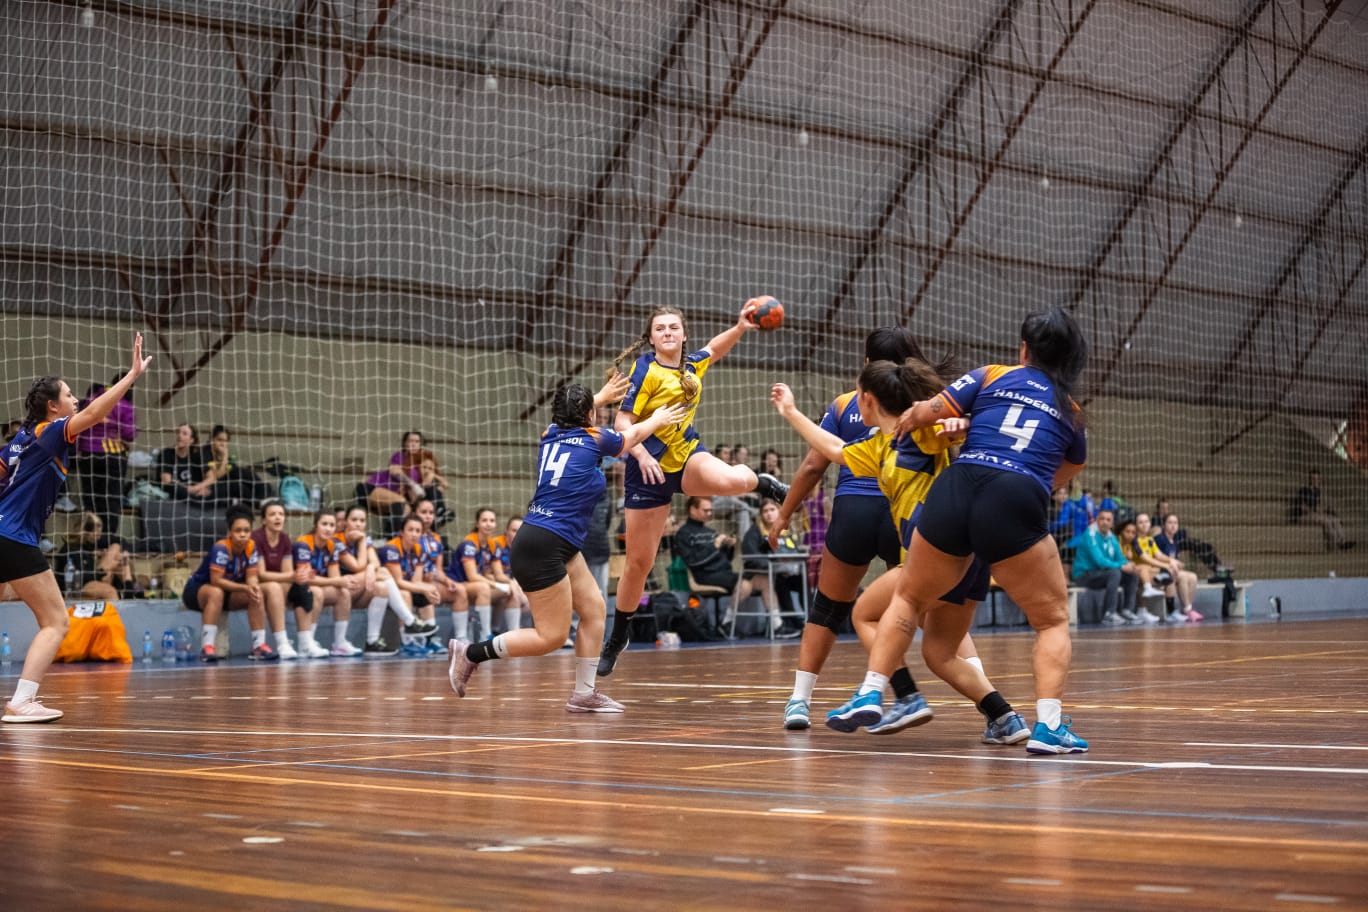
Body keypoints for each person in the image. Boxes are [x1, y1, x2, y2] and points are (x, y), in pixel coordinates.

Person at [771, 358, 1026, 742]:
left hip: (936, 554)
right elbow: (835, 450)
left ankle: (892, 694)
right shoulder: (877, 446)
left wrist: (963, 423)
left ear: (868, 399)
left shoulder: (917, 432)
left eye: (857, 394)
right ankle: (1005, 718)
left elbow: (952, 430)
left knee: (864, 614)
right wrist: (790, 412)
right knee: (940, 655)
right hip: (966, 561)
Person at [890, 307, 1092, 754]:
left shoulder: (993, 375)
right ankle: (1050, 727)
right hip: (1014, 504)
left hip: (956, 493)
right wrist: (1032, 480)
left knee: (908, 600)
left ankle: (877, 689)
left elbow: (931, 410)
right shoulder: (1070, 410)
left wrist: (911, 417)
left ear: (1024, 350)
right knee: (1053, 620)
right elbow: (1073, 465)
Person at [447, 379, 686, 711]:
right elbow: (631, 437)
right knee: (551, 637)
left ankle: (584, 694)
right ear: (589, 414)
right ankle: (470, 653)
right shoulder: (595, 439)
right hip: (543, 545)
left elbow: (573, 419)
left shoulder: (550, 434)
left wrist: (597, 398)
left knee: (594, 610)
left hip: (551, 540)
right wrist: (657, 419)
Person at [597, 301, 790, 676]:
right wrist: (640, 455)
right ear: (651, 338)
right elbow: (623, 420)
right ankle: (618, 635)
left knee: (733, 480)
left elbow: (714, 350)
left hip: (686, 457)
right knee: (640, 564)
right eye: (660, 328)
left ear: (683, 334)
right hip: (646, 470)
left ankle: (763, 482)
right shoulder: (645, 369)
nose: (667, 332)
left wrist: (738, 328)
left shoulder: (690, 365)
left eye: (673, 327)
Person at [767, 327, 925, 731]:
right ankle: (994, 708)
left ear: (868, 363)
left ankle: (800, 701)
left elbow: (813, 467)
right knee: (927, 608)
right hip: (902, 512)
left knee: (828, 609)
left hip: (853, 511)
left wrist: (784, 514)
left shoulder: (845, 404)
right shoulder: (924, 407)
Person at [0, 335, 151, 722]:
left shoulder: (19, 441)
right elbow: (97, 414)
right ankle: (21, 702)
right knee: (56, 621)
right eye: (69, 395)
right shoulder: (51, 433)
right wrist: (131, 375)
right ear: (54, 407)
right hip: (14, 538)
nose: (75, 400)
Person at [332, 504, 436, 656]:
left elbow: (375, 563)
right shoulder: (337, 541)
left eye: (362, 520)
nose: (358, 524)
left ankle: (372, 641)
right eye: (354, 520)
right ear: (345, 522)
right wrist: (367, 560)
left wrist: (370, 567)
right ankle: (409, 621)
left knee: (382, 586)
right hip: (343, 590)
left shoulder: (365, 539)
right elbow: (357, 566)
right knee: (384, 572)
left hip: (360, 590)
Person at [183, 504, 278, 662]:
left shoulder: (251, 547)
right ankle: (207, 648)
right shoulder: (221, 548)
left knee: (256, 593)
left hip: (227, 594)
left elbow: (251, 576)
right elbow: (216, 580)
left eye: (246, 531)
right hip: (197, 592)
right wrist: (244, 587)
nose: (243, 535)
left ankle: (258, 646)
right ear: (229, 533)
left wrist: (252, 586)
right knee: (215, 592)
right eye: (238, 531)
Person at [73, 374, 136, 540]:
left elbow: (79, 423)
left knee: (91, 499)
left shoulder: (91, 399)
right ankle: (107, 539)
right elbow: (129, 434)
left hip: (87, 455)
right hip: (112, 455)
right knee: (111, 499)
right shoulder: (124, 404)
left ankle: (87, 539)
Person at [294, 509, 361, 656]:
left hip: (317, 585)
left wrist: (344, 581)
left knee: (343, 592)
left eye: (332, 525)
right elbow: (306, 578)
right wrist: (338, 580)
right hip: (296, 588)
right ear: (315, 525)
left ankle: (340, 643)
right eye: (324, 524)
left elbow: (335, 578)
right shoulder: (304, 543)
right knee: (316, 592)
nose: (328, 528)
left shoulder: (332, 545)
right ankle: (306, 643)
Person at [736, 498, 804, 638]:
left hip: (788, 571)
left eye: (772, 510)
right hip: (765, 574)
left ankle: (809, 619)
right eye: (765, 511)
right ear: (761, 515)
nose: (769, 514)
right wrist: (772, 565)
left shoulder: (787, 530)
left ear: (779, 511)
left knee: (804, 579)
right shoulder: (754, 533)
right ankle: (789, 621)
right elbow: (751, 558)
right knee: (779, 581)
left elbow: (794, 550)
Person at [249, 500, 305, 659]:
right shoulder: (256, 538)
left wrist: (298, 576)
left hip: (276, 582)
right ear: (264, 520)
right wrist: (292, 576)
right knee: (275, 588)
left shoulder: (285, 539)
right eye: (272, 514)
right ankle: (282, 642)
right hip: (255, 583)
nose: (277, 518)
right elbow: (260, 574)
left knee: (305, 590)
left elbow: (287, 572)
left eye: (281, 514)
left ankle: (306, 642)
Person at [1071, 508, 1142, 626]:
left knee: (1131, 574)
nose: (1105, 522)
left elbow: (1120, 558)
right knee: (1115, 572)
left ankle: (1127, 610)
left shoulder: (1112, 538)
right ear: (1097, 520)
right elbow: (1100, 562)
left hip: (1100, 574)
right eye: (1102, 519)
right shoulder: (1091, 535)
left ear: (1112, 523)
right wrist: (1122, 566)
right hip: (1084, 575)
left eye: (1108, 519)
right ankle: (1109, 614)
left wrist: (1129, 565)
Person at [53, 512, 140, 602]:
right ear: (86, 532)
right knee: (110, 591)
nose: (99, 536)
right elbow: (79, 578)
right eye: (96, 533)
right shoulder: (72, 549)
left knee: (116, 549)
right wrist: (102, 571)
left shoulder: (89, 543)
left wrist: (113, 559)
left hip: (89, 581)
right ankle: (128, 595)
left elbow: (119, 541)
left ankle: (129, 590)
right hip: (73, 588)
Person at [359, 431, 429, 532]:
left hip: (387, 500)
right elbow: (395, 471)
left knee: (406, 509)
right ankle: (389, 537)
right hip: (369, 489)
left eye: (417, 441)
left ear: (420, 444)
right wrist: (412, 484)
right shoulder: (400, 456)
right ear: (405, 443)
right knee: (401, 502)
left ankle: (388, 537)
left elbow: (413, 497)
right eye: (410, 441)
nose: (413, 444)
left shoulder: (418, 467)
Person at [1134, 512, 1196, 624]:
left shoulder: (1149, 540)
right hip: (1137, 571)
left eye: (1146, 521)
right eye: (1141, 522)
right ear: (1136, 525)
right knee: (1164, 574)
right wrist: (1167, 565)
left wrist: (1172, 561)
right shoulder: (1135, 540)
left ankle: (1174, 612)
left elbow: (1159, 555)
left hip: (1150, 571)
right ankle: (1142, 610)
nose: (1144, 524)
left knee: (1169, 577)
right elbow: (1146, 559)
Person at [1154, 513, 1206, 622]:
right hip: (1160, 571)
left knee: (1193, 577)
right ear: (1164, 525)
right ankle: (1187, 610)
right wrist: (1172, 564)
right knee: (1182, 577)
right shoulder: (1159, 539)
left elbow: (1174, 559)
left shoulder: (1175, 541)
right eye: (1170, 522)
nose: (1173, 525)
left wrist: (1178, 564)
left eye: (1175, 523)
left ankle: (1187, 608)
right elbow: (1156, 557)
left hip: (1171, 571)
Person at [206, 425, 273, 507]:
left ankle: (264, 500)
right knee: (237, 481)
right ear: (211, 439)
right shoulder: (206, 454)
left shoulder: (225, 457)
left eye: (225, 441)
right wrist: (225, 458)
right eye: (220, 440)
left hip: (232, 486)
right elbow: (216, 476)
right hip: (216, 488)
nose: (223, 444)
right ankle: (260, 503)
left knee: (264, 485)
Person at [1114, 517, 1163, 624]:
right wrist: (1126, 559)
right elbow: (1118, 559)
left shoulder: (1135, 542)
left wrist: (1168, 564)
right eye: (1127, 532)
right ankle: (1147, 589)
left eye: (1133, 532)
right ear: (1121, 532)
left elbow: (1157, 556)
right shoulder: (1118, 540)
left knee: (1142, 573)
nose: (1130, 535)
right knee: (1142, 569)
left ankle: (1141, 609)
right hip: (1116, 570)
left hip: (1130, 570)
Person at [1292, 469, 1353, 551]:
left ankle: (1343, 541)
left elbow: (1317, 506)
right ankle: (1336, 543)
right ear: (1309, 479)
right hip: (1303, 517)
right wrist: (1316, 511)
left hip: (1314, 515)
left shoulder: (1317, 491)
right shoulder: (1303, 490)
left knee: (1335, 519)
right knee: (1326, 521)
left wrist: (1323, 511)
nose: (1315, 481)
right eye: (1313, 479)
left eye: (1317, 479)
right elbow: (1303, 508)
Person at [155, 423, 214, 502]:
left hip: (194, 492)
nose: (179, 435)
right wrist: (189, 490)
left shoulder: (198, 456)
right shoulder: (167, 454)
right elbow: (166, 481)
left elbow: (211, 477)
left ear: (191, 440)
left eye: (184, 434)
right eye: (178, 432)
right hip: (174, 494)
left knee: (215, 488)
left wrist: (198, 488)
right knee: (174, 487)